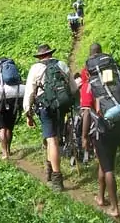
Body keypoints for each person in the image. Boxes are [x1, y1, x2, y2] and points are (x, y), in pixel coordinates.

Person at [81, 43, 120, 218]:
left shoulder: (90, 85)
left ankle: (115, 208)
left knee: (108, 168)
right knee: (105, 162)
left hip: (101, 130)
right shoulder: (111, 78)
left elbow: (86, 113)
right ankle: (100, 197)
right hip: (117, 123)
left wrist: (84, 136)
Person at [24, 44, 78, 191]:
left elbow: (29, 92)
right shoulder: (62, 65)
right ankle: (49, 168)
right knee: (55, 138)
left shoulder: (35, 69)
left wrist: (28, 113)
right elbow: (73, 88)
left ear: (40, 56)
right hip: (61, 106)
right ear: (51, 54)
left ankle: (56, 178)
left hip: (45, 107)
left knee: (51, 140)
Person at [0, 67, 22, 159]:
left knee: (3, 128)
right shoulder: (14, 70)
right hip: (14, 101)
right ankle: (9, 150)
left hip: (1, 101)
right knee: (9, 128)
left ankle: (4, 153)